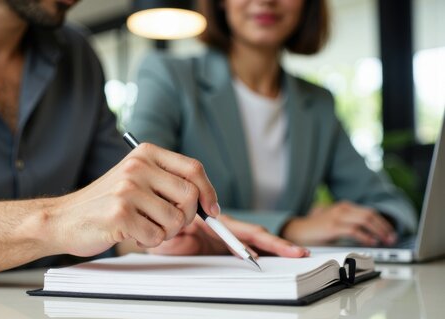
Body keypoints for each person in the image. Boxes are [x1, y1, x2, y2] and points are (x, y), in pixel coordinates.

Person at [0, 0, 307, 284]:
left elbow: (116, 207)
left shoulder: (77, 54)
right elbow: (74, 215)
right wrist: (51, 221)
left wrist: (165, 229)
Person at [127, 0, 418, 254]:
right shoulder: (170, 76)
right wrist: (290, 227)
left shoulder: (317, 103)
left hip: (294, 282)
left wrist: (374, 224)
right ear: (220, 2)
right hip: (196, 285)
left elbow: (391, 206)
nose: (266, 1)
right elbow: (143, 198)